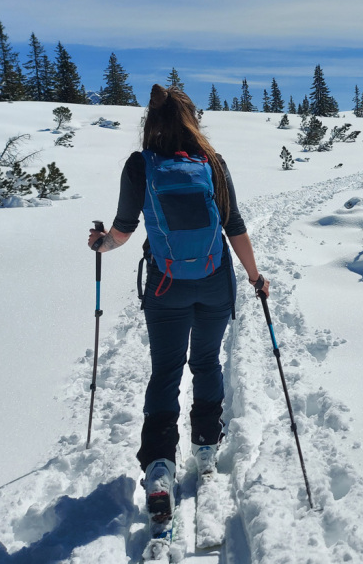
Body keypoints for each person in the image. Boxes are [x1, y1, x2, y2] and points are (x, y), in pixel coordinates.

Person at [87, 83, 267, 524]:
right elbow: (234, 225)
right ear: (192, 120)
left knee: (166, 370)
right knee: (206, 362)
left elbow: (124, 231)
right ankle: (206, 444)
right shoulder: (213, 163)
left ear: (152, 124)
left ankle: (159, 467)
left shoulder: (139, 166)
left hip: (166, 286)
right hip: (214, 282)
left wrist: (102, 244)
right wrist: (255, 276)